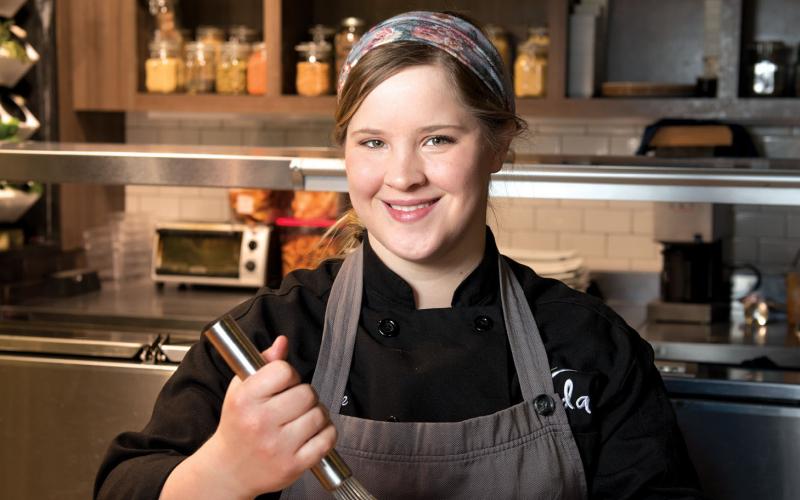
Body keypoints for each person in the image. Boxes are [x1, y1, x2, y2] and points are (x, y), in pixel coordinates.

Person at [95, 11, 703, 500]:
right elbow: (123, 486)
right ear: (346, 153)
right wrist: (220, 476)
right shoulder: (270, 338)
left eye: (438, 139)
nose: (403, 175)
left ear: (497, 145)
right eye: (373, 142)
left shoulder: (590, 346)